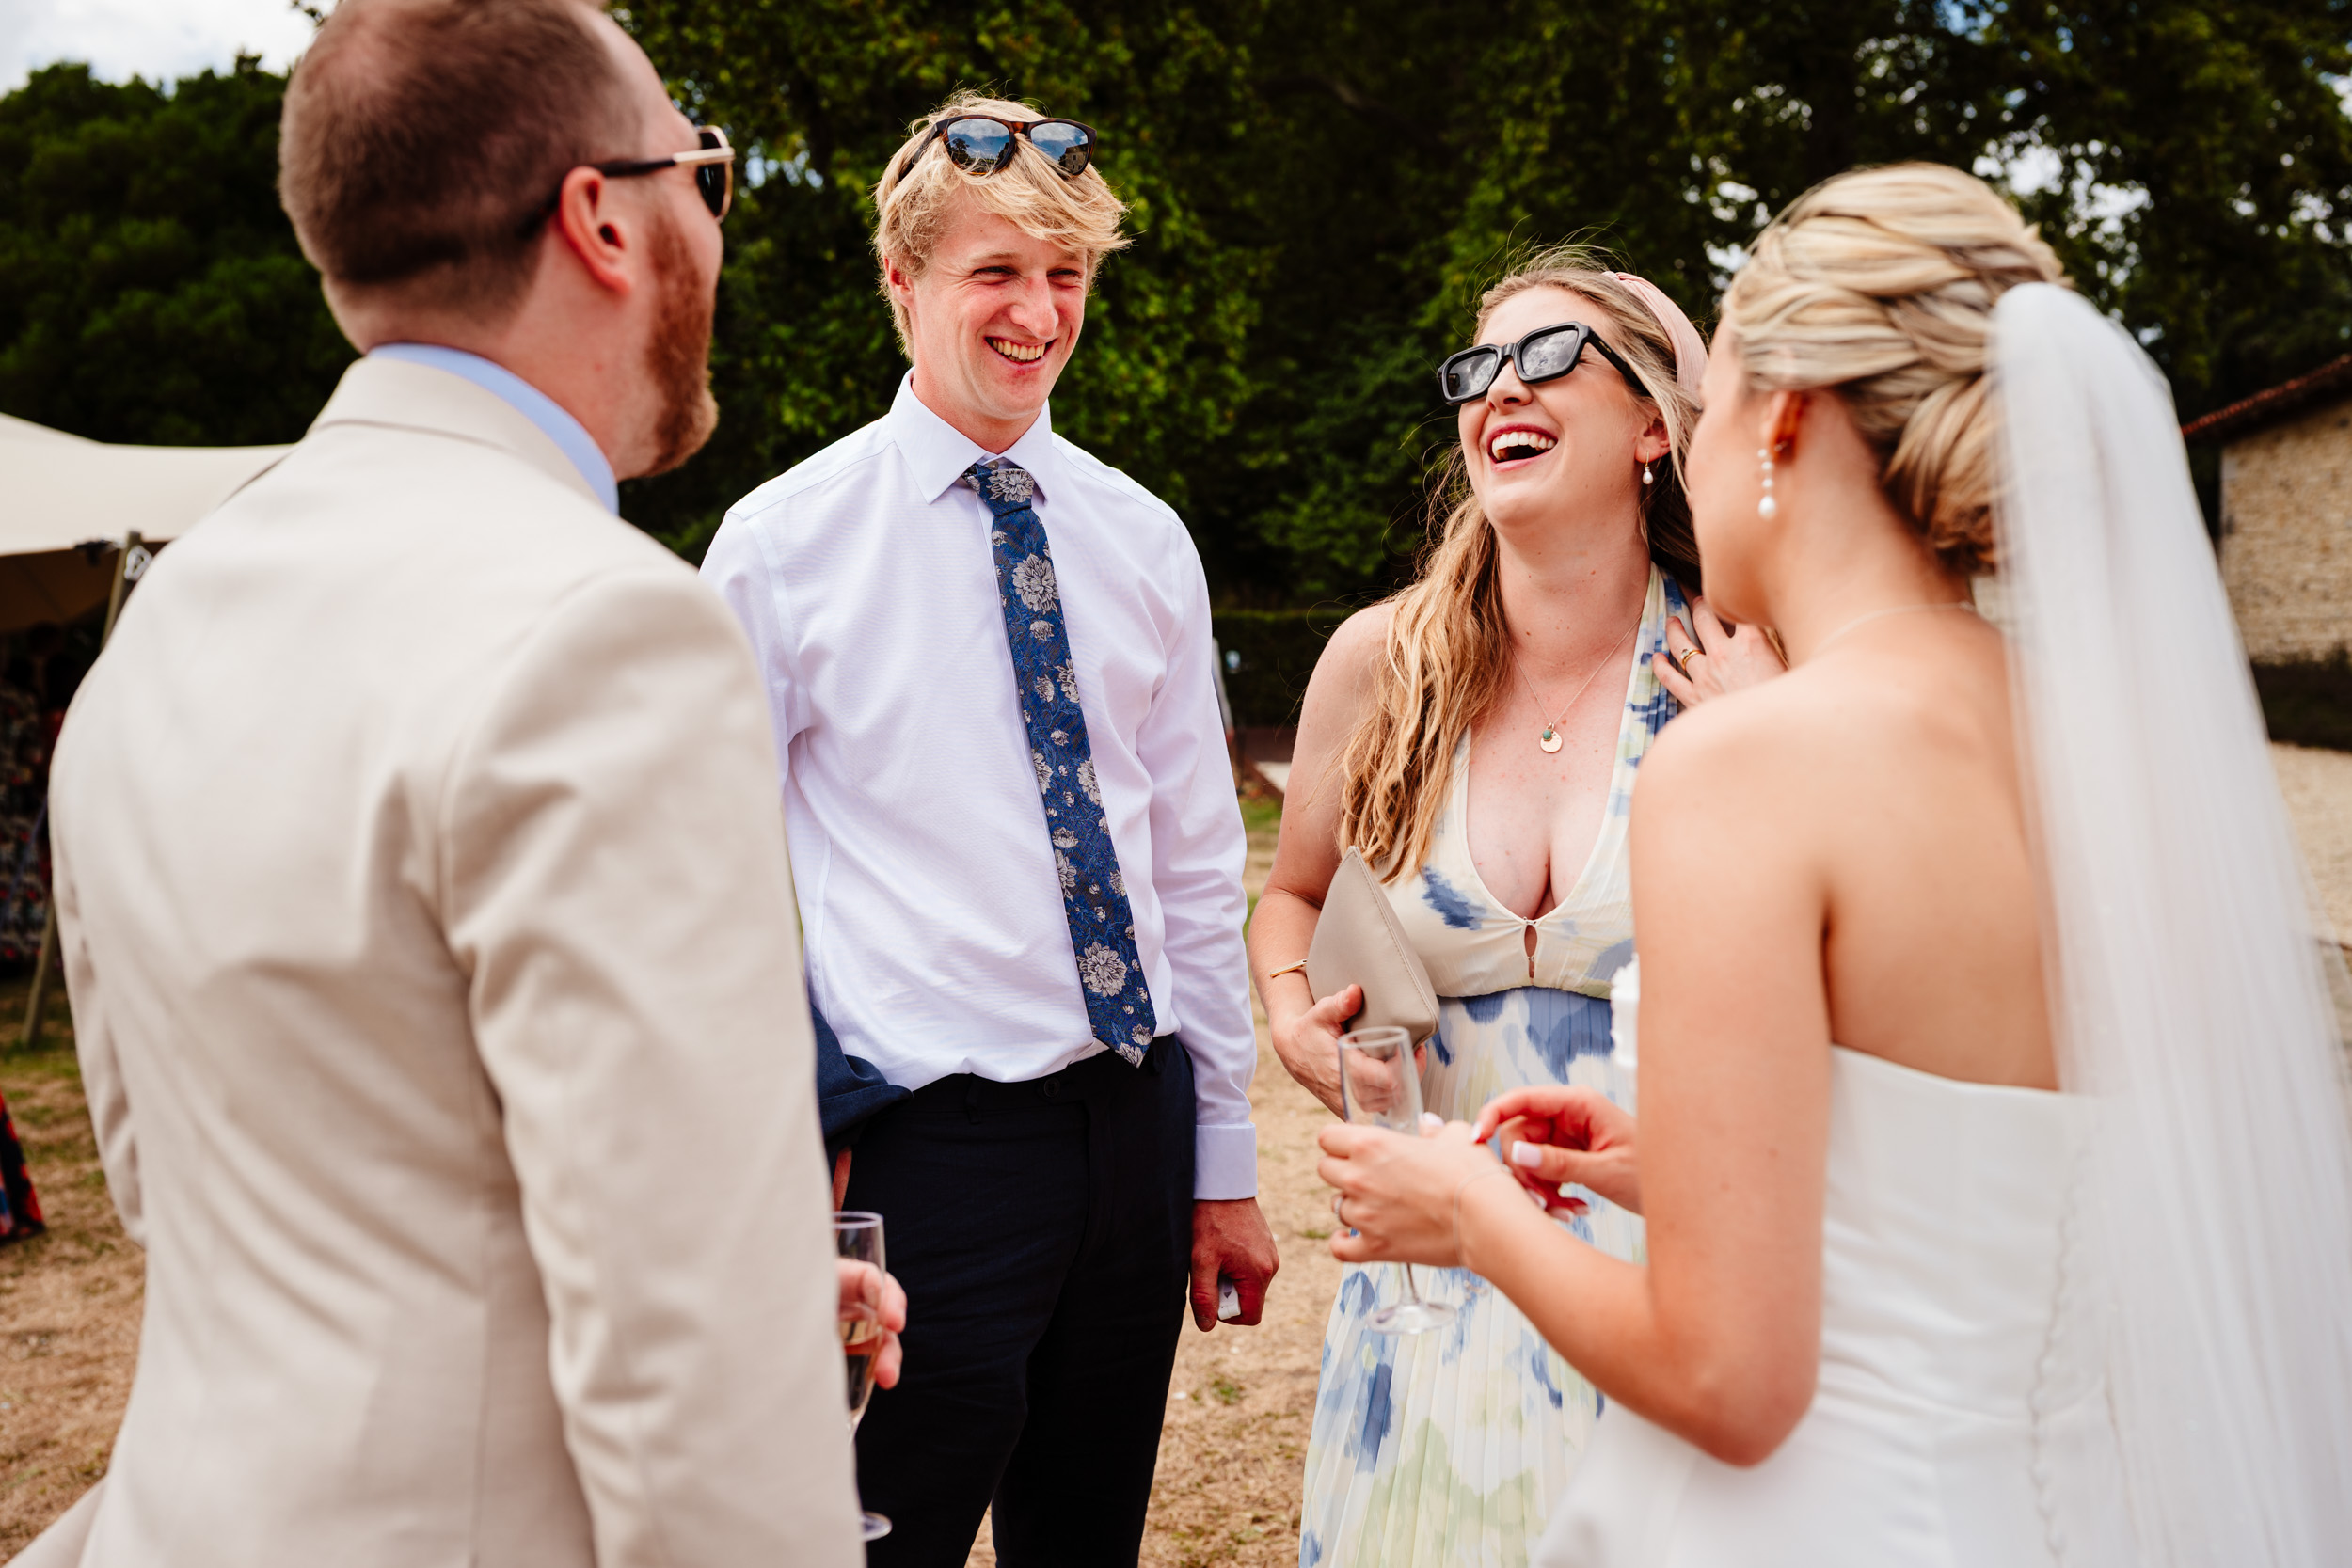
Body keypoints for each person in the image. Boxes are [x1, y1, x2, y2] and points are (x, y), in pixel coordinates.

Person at [1316, 164, 2352, 1566]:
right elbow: (1995, 1184)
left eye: (1719, 398)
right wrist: (1670, 1169)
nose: (1694, 449)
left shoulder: (1748, 762)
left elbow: (1729, 1384)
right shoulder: (2104, 755)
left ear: (1786, 418)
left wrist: (1470, 1210)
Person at [17, 4, 888, 1564]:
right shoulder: (611, 629)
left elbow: (201, 1195)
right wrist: (728, 1312)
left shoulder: (163, 622)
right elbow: (694, 1396)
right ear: (602, 219)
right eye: (705, 174)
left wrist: (742, 1277)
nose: (714, 224)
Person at [700, 92, 1279, 1565]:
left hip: (1135, 1128)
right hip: (922, 1153)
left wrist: (1220, 1161)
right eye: (998, 271)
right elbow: (697, 884)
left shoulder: (1144, 537)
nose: (1039, 313)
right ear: (902, 283)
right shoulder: (780, 547)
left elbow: (1195, 869)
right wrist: (794, 1146)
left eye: (1066, 274)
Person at [1248, 247, 1778, 1564]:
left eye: (1548, 356)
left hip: (1666, 1291)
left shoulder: (1742, 661)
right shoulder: (1383, 665)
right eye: (1479, 366)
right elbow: (1293, 896)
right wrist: (1295, 1019)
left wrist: (1776, 742)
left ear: (1653, 425)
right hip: (1422, 1298)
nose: (1501, 389)